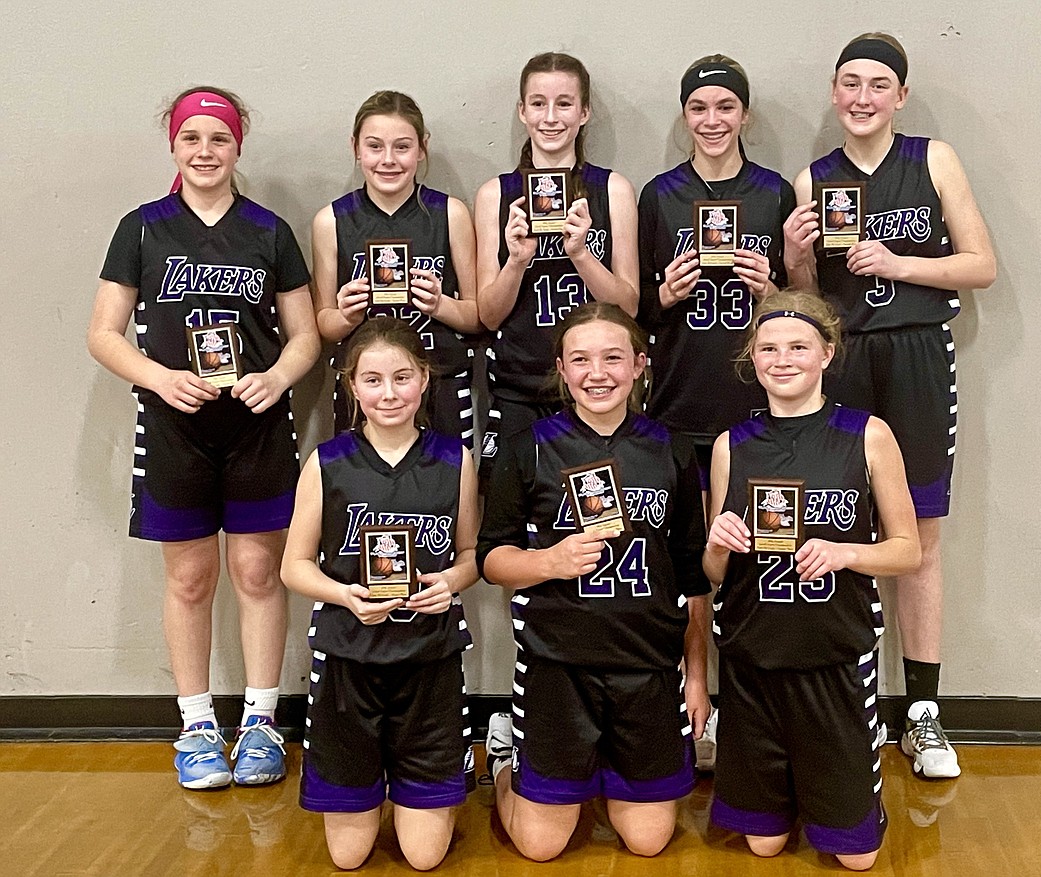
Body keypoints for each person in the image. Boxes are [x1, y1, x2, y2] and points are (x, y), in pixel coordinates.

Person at [87, 87, 319, 789]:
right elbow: (103, 332)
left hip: (254, 429)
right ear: (174, 148)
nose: (206, 152)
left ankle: (260, 721)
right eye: (193, 140)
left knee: (256, 573)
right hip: (173, 428)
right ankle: (194, 723)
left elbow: (305, 335)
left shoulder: (270, 231)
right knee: (190, 577)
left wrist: (277, 377)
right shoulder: (142, 228)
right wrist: (158, 377)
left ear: (237, 147)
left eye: (219, 140)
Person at [783, 32, 996, 777]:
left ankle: (924, 714)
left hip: (914, 354)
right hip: (844, 359)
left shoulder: (931, 159)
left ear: (899, 96)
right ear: (834, 93)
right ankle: (848, 699)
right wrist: (798, 254)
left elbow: (983, 264)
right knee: (841, 531)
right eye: (850, 83)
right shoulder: (813, 180)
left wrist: (899, 261)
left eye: (878, 84)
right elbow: (805, 300)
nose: (863, 96)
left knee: (921, 535)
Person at [477, 303, 709, 861]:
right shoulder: (527, 445)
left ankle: (604, 771)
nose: (597, 373)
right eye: (580, 359)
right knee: (539, 846)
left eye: (612, 358)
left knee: (650, 842)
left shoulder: (672, 449)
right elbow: (491, 560)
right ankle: (510, 757)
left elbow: (692, 573)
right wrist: (548, 563)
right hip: (559, 665)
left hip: (647, 667)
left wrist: (696, 676)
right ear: (561, 368)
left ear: (639, 366)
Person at [703, 290, 920, 870]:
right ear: (752, 358)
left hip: (833, 653)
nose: (782, 359)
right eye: (768, 348)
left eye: (798, 346)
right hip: (754, 656)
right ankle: (788, 795)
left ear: (827, 353)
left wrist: (846, 552)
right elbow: (712, 573)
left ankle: (834, 796)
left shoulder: (867, 435)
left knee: (857, 859)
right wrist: (718, 543)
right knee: (763, 844)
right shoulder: (732, 445)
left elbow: (907, 552)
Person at [281, 317, 479, 871]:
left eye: (401, 377)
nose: (388, 393)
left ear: (424, 381)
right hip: (350, 658)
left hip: (429, 660)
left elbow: (469, 558)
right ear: (351, 386)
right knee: (347, 857)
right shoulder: (327, 462)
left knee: (423, 857)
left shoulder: (454, 459)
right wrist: (345, 595)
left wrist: (448, 584)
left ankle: (492, 769)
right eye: (372, 380)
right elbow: (293, 567)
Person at [474, 52, 639, 481]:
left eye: (564, 103)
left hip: (595, 384)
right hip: (518, 387)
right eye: (538, 103)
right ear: (522, 111)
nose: (551, 117)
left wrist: (582, 254)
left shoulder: (612, 189)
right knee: (506, 519)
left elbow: (630, 306)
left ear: (584, 113)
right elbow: (486, 315)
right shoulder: (495, 195)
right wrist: (516, 261)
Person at [638, 54, 796, 480]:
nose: (712, 120)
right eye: (698, 108)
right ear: (685, 115)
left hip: (756, 397)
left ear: (745, 115)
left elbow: (802, 307)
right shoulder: (660, 195)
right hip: (680, 393)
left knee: (752, 538)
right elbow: (633, 309)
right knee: (691, 541)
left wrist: (769, 292)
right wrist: (666, 294)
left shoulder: (775, 192)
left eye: (726, 106)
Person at [312, 90, 480, 446]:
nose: (388, 160)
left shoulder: (450, 214)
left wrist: (440, 304)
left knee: (447, 494)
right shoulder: (331, 221)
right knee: (364, 496)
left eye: (402, 147)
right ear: (355, 147)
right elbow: (324, 324)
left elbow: (478, 315)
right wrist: (345, 315)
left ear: (422, 148)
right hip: (366, 390)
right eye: (375, 146)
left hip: (439, 381)